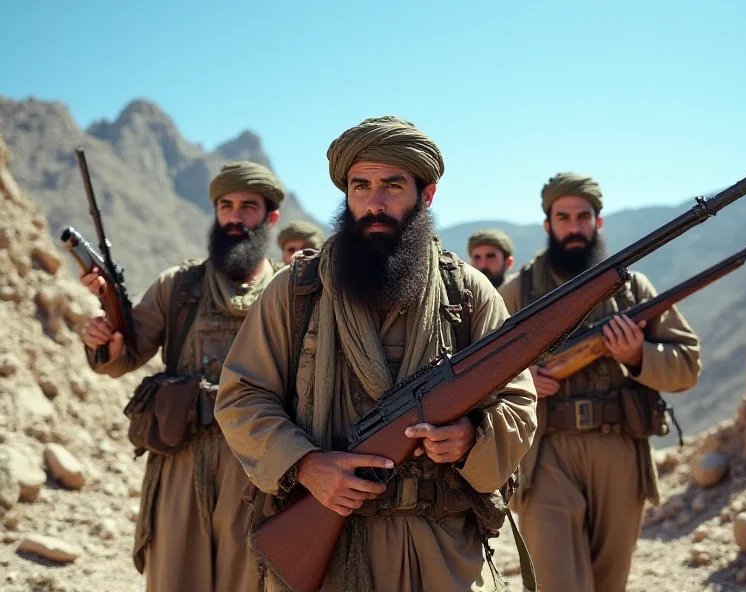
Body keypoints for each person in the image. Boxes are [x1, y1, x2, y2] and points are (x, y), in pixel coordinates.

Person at [215, 116, 538, 591]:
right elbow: (242, 395)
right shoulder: (297, 291)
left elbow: (518, 402)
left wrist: (472, 437)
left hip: (439, 547)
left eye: (392, 185)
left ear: (425, 196)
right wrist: (305, 465)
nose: (375, 203)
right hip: (329, 541)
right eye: (361, 186)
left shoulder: (468, 292)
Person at [80, 161, 285, 592]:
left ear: (270, 218)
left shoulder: (289, 293)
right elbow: (125, 353)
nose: (234, 217)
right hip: (180, 462)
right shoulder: (178, 286)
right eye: (225, 206)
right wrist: (104, 340)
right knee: (175, 578)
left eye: (248, 207)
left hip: (258, 469)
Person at [499, 172, 702, 592]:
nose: (574, 227)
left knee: (610, 583)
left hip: (619, 450)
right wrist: (524, 382)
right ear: (547, 225)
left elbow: (686, 365)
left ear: (599, 222)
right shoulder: (520, 292)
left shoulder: (633, 291)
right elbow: (479, 372)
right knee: (558, 583)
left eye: (583, 217)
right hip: (546, 452)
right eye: (563, 217)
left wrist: (637, 356)